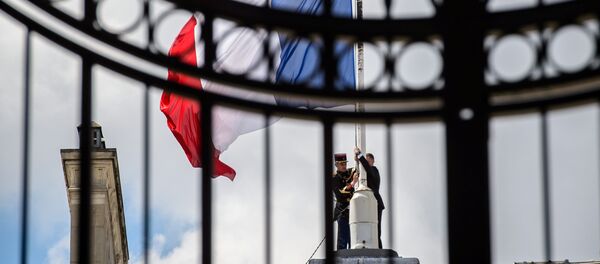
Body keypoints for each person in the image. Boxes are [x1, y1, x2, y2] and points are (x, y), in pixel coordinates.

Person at [354, 147, 385, 249]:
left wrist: (360, 155)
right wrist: (357, 161)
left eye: (368, 161)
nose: (366, 163)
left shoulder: (374, 170)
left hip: (375, 202)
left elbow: (368, 168)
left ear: (372, 161)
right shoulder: (365, 173)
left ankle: (378, 248)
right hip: (367, 202)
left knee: (376, 228)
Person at [332, 153, 358, 250]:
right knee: (343, 239)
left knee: (353, 239)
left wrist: (357, 159)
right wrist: (353, 183)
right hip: (342, 211)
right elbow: (340, 193)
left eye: (345, 164)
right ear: (336, 165)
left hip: (353, 211)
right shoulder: (334, 178)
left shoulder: (349, 172)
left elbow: (358, 168)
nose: (344, 166)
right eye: (341, 164)